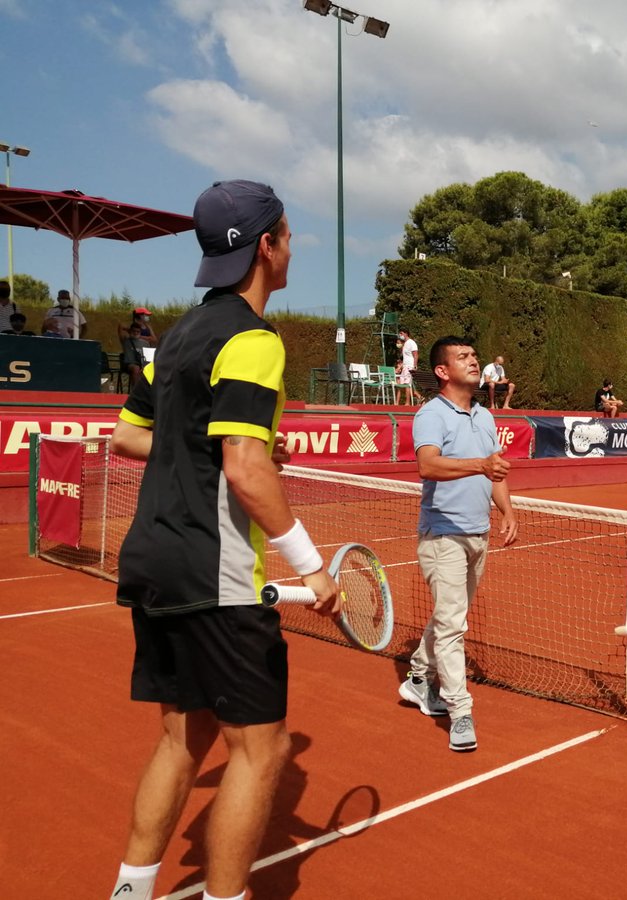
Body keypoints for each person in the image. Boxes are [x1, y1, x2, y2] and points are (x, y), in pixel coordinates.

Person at [106, 180, 340, 900]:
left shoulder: (176, 337)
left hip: (154, 557)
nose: (292, 248)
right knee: (262, 750)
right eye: (288, 236)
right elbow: (243, 468)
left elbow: (128, 437)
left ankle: (130, 892)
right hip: (215, 569)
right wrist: (311, 565)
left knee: (183, 739)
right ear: (266, 246)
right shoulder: (252, 339)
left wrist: (225, 447)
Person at [398, 335, 518, 752]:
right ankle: (460, 710)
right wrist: (480, 465)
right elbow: (427, 465)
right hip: (442, 534)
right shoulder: (431, 414)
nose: (473, 361)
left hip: (477, 532)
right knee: (453, 623)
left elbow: (494, 471)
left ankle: (418, 676)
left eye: (474, 355)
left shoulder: (484, 416)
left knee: (451, 615)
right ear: (442, 371)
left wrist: (507, 511)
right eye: (463, 357)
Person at [117, 307, 158, 387]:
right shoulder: (126, 340)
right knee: (136, 368)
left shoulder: (145, 340)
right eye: (145, 315)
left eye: (137, 331)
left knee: (154, 369)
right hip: (130, 363)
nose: (136, 333)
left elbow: (154, 340)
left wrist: (139, 336)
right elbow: (121, 326)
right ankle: (136, 391)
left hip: (143, 363)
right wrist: (130, 330)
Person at [396, 327, 420, 405]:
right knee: (402, 384)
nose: (400, 335)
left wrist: (414, 366)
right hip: (405, 366)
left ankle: (407, 402)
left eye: (401, 333)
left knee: (407, 384)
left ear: (406, 333)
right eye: (400, 333)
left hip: (410, 366)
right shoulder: (405, 343)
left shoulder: (411, 343)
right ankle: (419, 397)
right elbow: (404, 356)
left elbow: (415, 355)